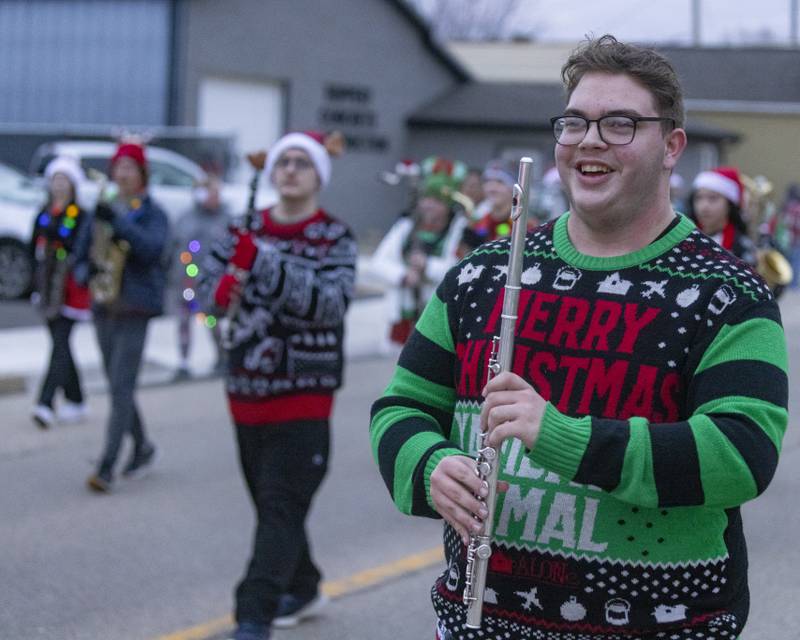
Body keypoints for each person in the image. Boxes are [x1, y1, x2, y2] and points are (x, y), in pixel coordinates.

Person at [370, 34, 788, 640]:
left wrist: (562, 437)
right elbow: (400, 408)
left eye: (620, 124)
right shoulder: (480, 274)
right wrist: (428, 465)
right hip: (480, 622)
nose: (590, 141)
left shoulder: (729, 294)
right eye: (574, 123)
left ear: (672, 146)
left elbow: (742, 454)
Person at [198, 130, 357, 640]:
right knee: (274, 507)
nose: (289, 170)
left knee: (280, 505)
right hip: (245, 393)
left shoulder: (335, 236)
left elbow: (332, 303)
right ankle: (305, 584)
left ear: (317, 175)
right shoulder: (240, 228)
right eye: (282, 162)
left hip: (304, 399)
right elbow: (204, 297)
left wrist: (264, 262)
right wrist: (221, 288)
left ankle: (253, 615)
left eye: (300, 163)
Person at [83, 141, 170, 493]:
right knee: (118, 385)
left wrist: (119, 223)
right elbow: (85, 245)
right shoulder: (105, 206)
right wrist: (81, 268)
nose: (122, 173)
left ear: (142, 173)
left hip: (136, 306)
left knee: (121, 386)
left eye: (129, 168)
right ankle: (144, 447)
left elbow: (151, 251)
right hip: (104, 303)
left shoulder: (153, 212)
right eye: (118, 167)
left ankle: (106, 466)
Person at [368, 156, 468, 348]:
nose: (429, 204)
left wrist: (427, 266)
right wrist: (403, 275)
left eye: (436, 200)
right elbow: (377, 263)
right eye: (426, 198)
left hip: (439, 318)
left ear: (448, 204)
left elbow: (461, 270)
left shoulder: (460, 229)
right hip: (402, 317)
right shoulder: (405, 226)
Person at [29, 155, 91, 428]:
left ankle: (45, 402)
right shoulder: (44, 211)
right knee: (61, 344)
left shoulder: (77, 213)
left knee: (60, 343)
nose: (59, 185)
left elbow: (67, 238)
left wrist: (54, 234)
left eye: (64, 180)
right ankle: (76, 399)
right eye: (56, 179)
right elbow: (35, 246)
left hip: (69, 288)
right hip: (47, 286)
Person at [171, 175, 232, 378]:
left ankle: (222, 357)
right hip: (186, 281)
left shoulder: (225, 219)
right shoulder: (186, 218)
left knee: (211, 320)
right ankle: (183, 362)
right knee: (183, 320)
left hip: (211, 283)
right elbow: (176, 246)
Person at [688, 166, 757, 265]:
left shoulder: (742, 246)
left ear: (729, 204)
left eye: (713, 198)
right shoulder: (685, 240)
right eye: (698, 198)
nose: (704, 206)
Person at [458, 158, 522, 257]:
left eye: (500, 182)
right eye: (488, 181)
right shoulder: (479, 221)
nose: (492, 188)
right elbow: (461, 256)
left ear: (513, 188)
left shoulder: (523, 223)